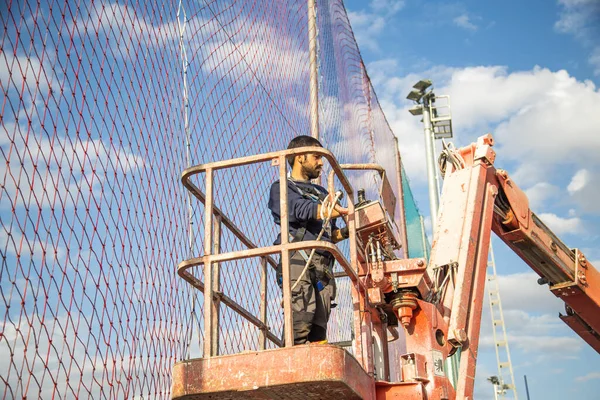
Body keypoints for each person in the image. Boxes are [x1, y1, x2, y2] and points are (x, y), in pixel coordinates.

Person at [267, 135, 349, 345]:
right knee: (300, 319)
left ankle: (313, 375)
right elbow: (296, 210)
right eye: (316, 156)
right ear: (299, 157)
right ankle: (290, 371)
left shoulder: (321, 192)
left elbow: (328, 234)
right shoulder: (283, 188)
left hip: (322, 266)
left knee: (318, 330)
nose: (321, 162)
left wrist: (349, 229)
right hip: (299, 259)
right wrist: (330, 210)